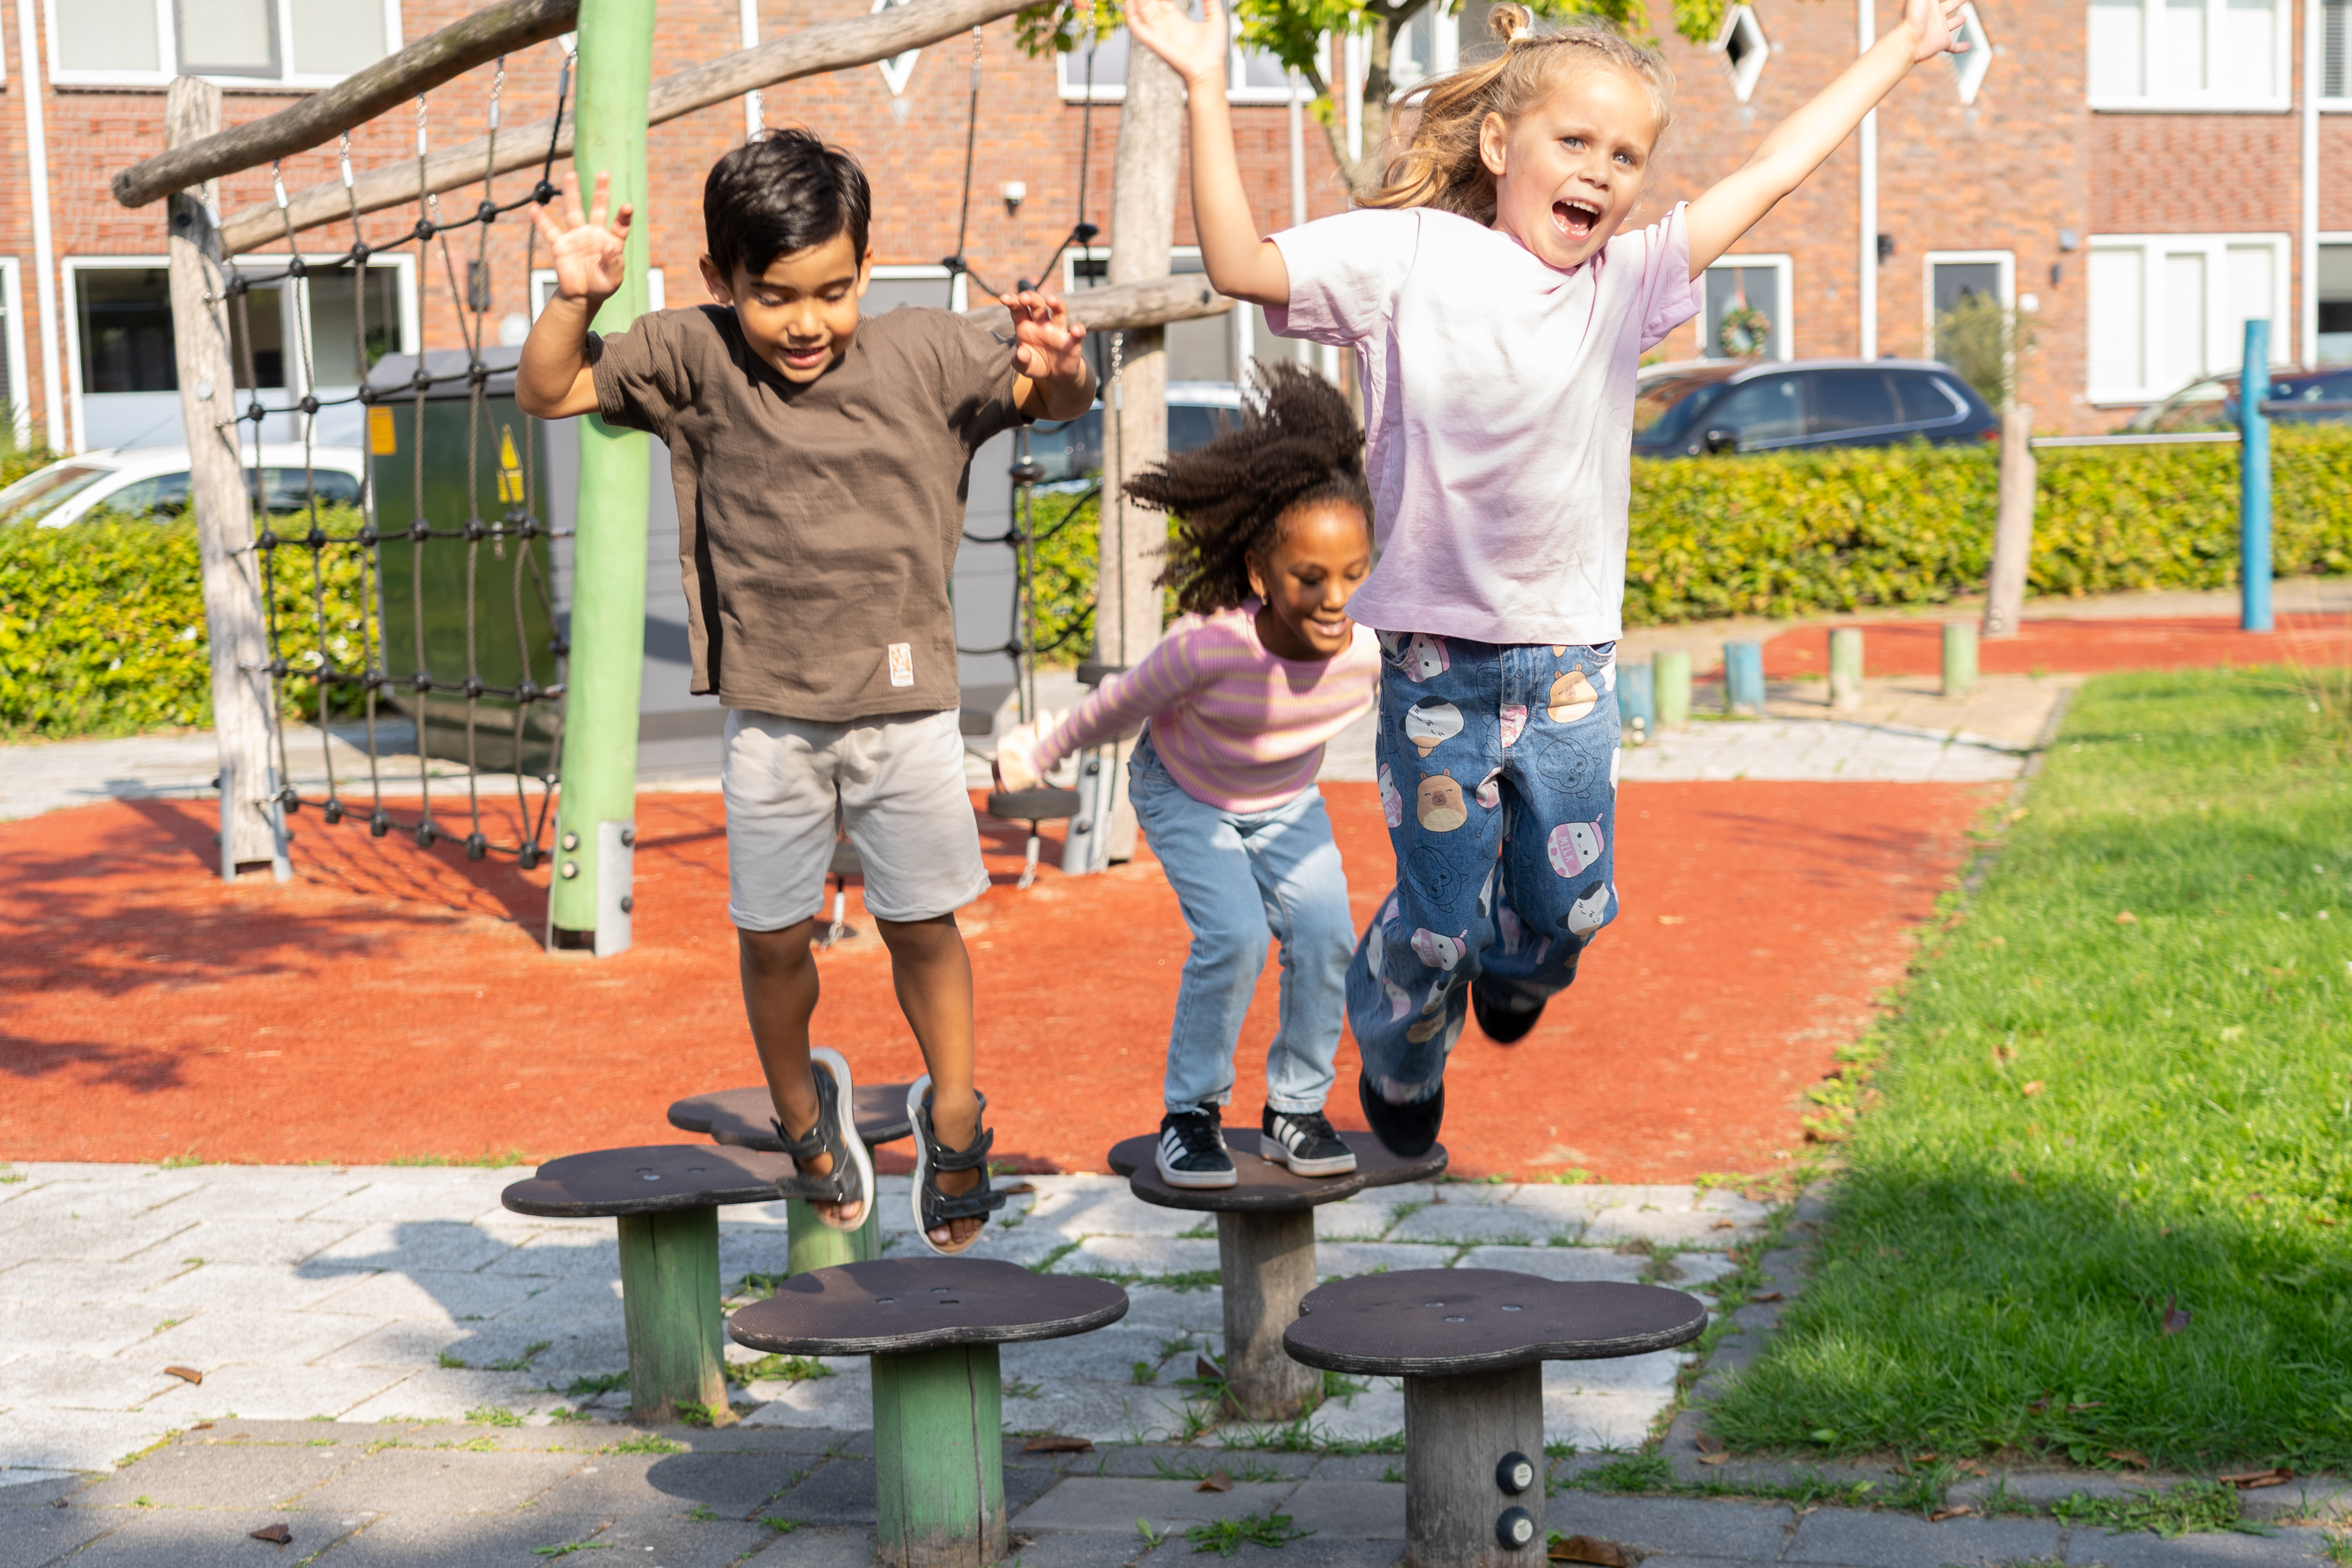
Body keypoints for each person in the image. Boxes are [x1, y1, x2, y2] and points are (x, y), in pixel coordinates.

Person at [1123, 0, 1970, 1155]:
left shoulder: (1627, 283)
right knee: (1434, 929)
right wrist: (1208, 88)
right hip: (1433, 666)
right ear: (1498, 148)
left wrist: (1899, 48)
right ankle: (1403, 1048)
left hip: (1569, 660)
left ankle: (1523, 963)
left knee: (1570, 909)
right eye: (1575, 143)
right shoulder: (1408, 257)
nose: (1602, 174)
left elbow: (1774, 168)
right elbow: (1237, 263)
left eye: (1626, 157)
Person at [517, 129, 1097, 1252]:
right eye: (775, 296)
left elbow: (1059, 397)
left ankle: (957, 1113)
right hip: (771, 713)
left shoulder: (928, 354)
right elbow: (552, 388)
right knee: (775, 936)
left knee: (921, 920)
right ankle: (801, 1111)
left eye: (833, 291)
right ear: (721, 283)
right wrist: (573, 298)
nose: (806, 323)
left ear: (866, 269)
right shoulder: (691, 355)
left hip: (907, 703)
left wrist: (1063, 359)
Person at [994, 364, 1379, 1190]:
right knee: (1234, 934)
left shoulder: (1370, 652)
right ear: (1257, 575)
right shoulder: (1209, 649)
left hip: (1285, 800)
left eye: (1353, 575)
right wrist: (1041, 749)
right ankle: (1190, 1115)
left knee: (1326, 934)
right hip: (1184, 790)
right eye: (1309, 578)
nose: (1334, 598)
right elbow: (1113, 706)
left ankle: (1295, 1110)